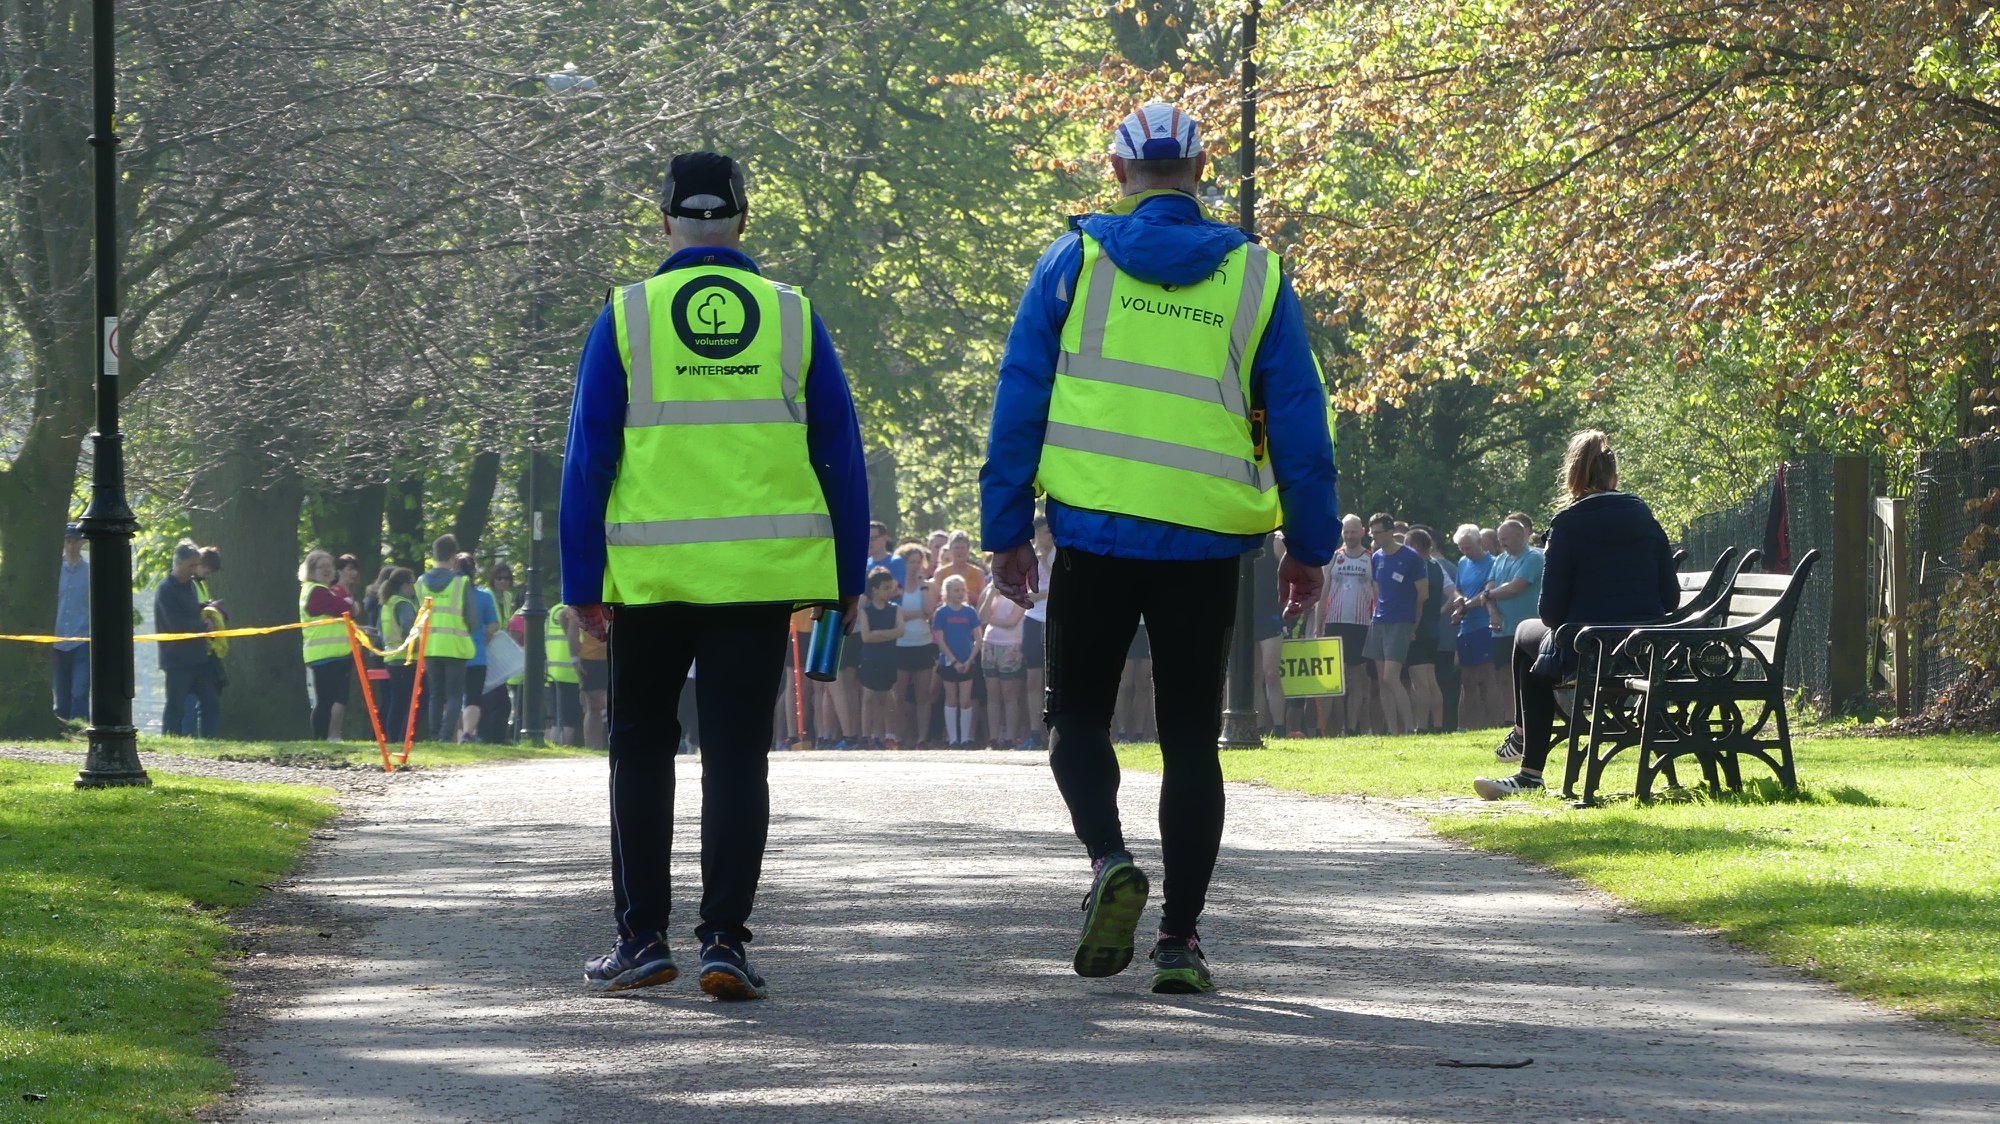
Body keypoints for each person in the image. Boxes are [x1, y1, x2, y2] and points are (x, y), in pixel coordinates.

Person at [982, 103, 1337, 995]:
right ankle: (1180, 941)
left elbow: (1021, 391)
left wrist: (1005, 530)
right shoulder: (1255, 275)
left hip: (1095, 534)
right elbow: (1297, 412)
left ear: (1118, 174)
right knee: (1190, 739)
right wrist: (1309, 541)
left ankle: (1108, 858)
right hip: (1206, 542)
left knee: (1076, 721)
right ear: (1203, 169)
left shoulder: (1074, 261)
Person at [561, 150, 868, 999]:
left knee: (640, 750)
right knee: (737, 757)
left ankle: (643, 938)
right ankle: (725, 940)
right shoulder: (792, 316)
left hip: (650, 582)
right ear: (742, 219)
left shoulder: (628, 315)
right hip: (759, 578)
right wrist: (847, 574)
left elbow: (590, 455)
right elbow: (839, 452)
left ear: (665, 223)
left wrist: (581, 578)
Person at [1475, 431, 1678, 798]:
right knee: (1537, 656)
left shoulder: (1567, 524)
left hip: (1590, 645)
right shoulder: (1644, 518)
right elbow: (1672, 597)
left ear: (1573, 476)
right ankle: (1523, 746)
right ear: (1614, 476)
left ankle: (1528, 761)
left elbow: (1550, 613)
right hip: (1645, 646)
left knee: (1525, 636)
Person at [1473, 517, 1546, 762]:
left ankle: (1537, 720)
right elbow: (1490, 586)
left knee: (1533, 677)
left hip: (1528, 630)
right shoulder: (1501, 559)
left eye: (1505, 538)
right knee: (1504, 676)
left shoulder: (1534, 557)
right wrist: (1492, 609)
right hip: (1502, 629)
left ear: (1519, 536)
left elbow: (1516, 587)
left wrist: (1488, 595)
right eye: (1500, 538)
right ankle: (1510, 718)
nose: (1501, 542)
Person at [1365, 512, 1427, 736]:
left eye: (1379, 533)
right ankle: (1393, 730)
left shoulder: (1411, 557)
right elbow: (1376, 587)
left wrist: (1413, 625)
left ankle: (1411, 727)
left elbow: (1423, 594)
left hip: (1400, 621)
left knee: (1391, 676)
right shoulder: (1376, 556)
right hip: (1379, 620)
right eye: (1372, 533)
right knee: (1382, 681)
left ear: (1391, 532)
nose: (1375, 537)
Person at [1319, 514, 1376, 736]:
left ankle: (1352, 728)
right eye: (1346, 532)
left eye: (1353, 531)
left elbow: (1376, 593)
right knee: (1335, 680)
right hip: (1334, 622)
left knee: (1356, 679)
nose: (1350, 536)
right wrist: (1318, 625)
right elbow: (1323, 594)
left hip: (1360, 624)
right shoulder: (1334, 557)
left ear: (1362, 532)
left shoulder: (1370, 558)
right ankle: (1333, 729)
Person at [415, 535, 475, 741]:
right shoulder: (461, 582)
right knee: (454, 696)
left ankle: (433, 734)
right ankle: (445, 735)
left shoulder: (421, 582)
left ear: (434, 554)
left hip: (430, 646)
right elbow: (472, 619)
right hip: (456, 647)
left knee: (435, 695)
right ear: (454, 555)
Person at [156, 541, 216, 736]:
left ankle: (209, 741)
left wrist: (208, 611)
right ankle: (169, 739)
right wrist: (203, 626)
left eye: (196, 565)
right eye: (191, 566)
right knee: (176, 706)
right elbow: (174, 624)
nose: (194, 570)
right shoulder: (166, 589)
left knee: (211, 701)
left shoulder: (190, 586)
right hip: (177, 659)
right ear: (178, 563)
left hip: (198, 656)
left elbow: (192, 611)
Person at [1449, 524, 1502, 729]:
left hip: (1484, 624)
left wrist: (1464, 607)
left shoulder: (1493, 563)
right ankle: (1469, 726)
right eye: (1461, 548)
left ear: (1480, 543)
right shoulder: (1462, 563)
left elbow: (1488, 593)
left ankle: (1494, 723)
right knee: (1468, 678)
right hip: (1465, 628)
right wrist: (1459, 600)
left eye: (1468, 548)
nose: (1465, 552)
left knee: (1487, 676)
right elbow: (1457, 589)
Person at [299, 549, 353, 741]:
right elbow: (342, 609)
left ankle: (323, 739)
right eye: (322, 567)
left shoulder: (323, 590)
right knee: (324, 702)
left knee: (329, 700)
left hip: (333, 655)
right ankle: (319, 739)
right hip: (324, 656)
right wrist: (350, 605)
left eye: (330, 566)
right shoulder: (316, 591)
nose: (327, 570)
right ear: (311, 570)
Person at [1401, 527, 1447, 733]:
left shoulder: (1417, 567)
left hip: (1418, 627)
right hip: (1433, 628)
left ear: (1416, 546)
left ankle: (1422, 725)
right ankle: (1438, 724)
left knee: (1419, 679)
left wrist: (1412, 628)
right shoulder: (1436, 566)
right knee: (1430, 678)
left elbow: (1419, 598)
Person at [892, 542, 937, 746]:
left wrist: (923, 585)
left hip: (923, 644)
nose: (915, 566)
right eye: (911, 562)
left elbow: (929, 611)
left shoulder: (927, 585)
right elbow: (896, 615)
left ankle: (922, 738)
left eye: (919, 562)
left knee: (923, 695)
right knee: (899, 695)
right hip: (901, 645)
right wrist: (916, 615)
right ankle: (899, 736)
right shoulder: (895, 586)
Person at [456, 553, 503, 743]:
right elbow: (493, 626)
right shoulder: (484, 597)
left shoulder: (449, 595)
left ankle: (453, 735)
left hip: (451, 652)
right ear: (474, 571)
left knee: (452, 698)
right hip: (476, 654)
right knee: (473, 697)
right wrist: (483, 640)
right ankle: (467, 734)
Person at [978, 574, 1029, 748]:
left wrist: (991, 619)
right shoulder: (990, 591)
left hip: (1010, 646)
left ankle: (1010, 737)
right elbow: (981, 616)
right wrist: (991, 593)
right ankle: (993, 738)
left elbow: (1012, 621)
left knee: (1009, 694)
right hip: (989, 644)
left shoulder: (1021, 592)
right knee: (992, 694)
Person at [931, 574, 982, 746]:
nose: (960, 593)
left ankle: (965, 738)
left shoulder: (970, 611)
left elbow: (978, 638)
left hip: (968, 661)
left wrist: (968, 660)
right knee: (951, 698)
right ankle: (953, 739)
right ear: (948, 592)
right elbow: (940, 639)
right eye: (956, 590)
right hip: (948, 662)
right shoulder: (941, 613)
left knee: (966, 700)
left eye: (962, 589)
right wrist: (953, 661)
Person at [857, 567, 903, 746]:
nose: (889, 591)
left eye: (890, 587)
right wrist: (888, 633)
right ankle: (866, 736)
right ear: (875, 589)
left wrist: (878, 633)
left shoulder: (895, 609)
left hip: (888, 657)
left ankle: (888, 734)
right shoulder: (866, 610)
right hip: (870, 658)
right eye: (885, 587)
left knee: (887, 697)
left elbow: (901, 631)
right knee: (868, 697)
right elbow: (866, 637)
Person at [1020, 516, 1054, 749]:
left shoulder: (1061, 554)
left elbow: (1063, 585)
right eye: (1043, 532)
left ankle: (1053, 730)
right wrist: (1042, 594)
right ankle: (1034, 732)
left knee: (1053, 679)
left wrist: (1044, 564)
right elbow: (1023, 592)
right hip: (1033, 619)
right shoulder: (1025, 556)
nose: (1047, 537)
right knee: (1033, 677)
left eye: (1050, 532)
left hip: (1054, 620)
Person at [375, 567, 421, 743]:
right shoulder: (404, 604)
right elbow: (408, 630)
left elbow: (380, 632)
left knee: (397, 700)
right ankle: (400, 737)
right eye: (412, 583)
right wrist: (416, 646)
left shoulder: (387, 603)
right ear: (405, 585)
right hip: (406, 658)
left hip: (391, 658)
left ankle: (393, 737)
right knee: (406, 702)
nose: (414, 587)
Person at [52, 523, 89, 722]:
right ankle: (65, 729)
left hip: (82, 640)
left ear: (82, 543)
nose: (72, 546)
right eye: (68, 541)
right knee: (62, 695)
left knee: (80, 691)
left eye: (76, 541)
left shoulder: (91, 573)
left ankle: (82, 730)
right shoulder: (53, 572)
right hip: (56, 642)